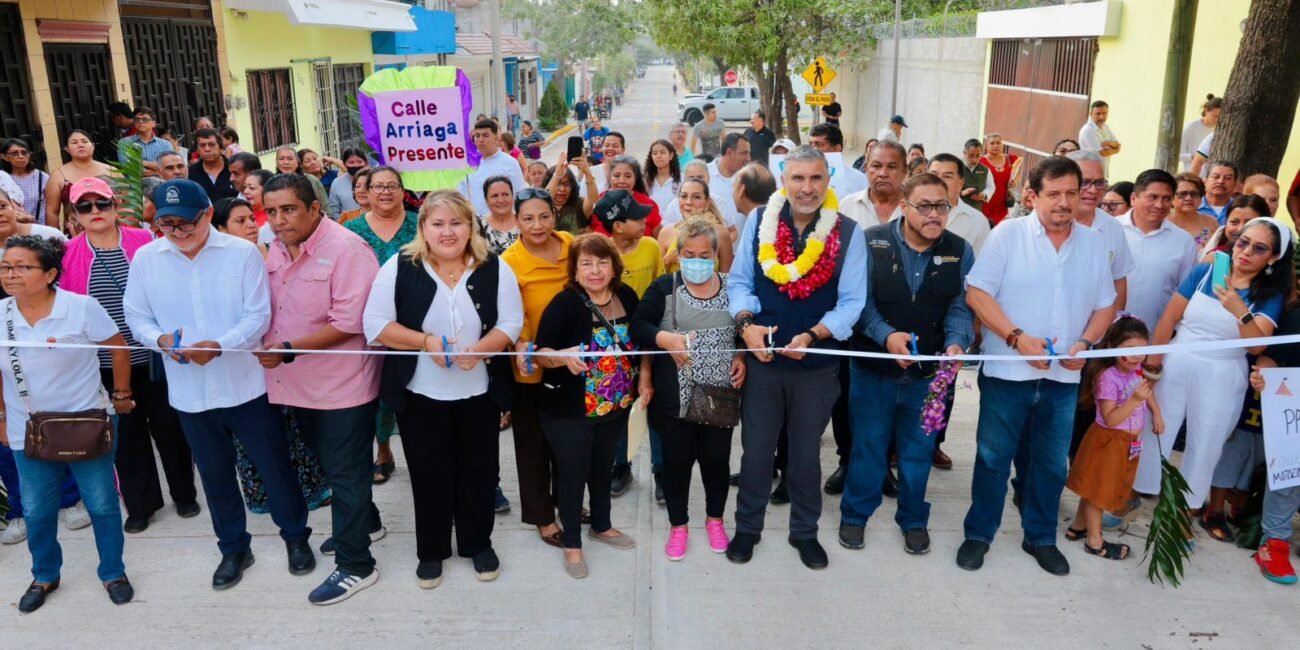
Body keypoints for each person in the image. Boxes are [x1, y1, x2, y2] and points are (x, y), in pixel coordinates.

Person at [123, 179, 313, 591]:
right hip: (189, 392)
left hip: (244, 385)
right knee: (214, 474)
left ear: (207, 213)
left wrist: (221, 345)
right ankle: (233, 547)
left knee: (274, 468)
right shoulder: (146, 259)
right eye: (167, 224)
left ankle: (296, 537)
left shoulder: (242, 253)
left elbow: (258, 316)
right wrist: (159, 341)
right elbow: (136, 315)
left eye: (186, 222)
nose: (177, 232)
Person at [959, 156, 1116, 576]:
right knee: (993, 459)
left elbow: (1106, 304)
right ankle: (978, 534)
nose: (1064, 202)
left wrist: (1085, 342)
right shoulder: (1008, 235)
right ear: (1032, 196)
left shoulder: (1094, 242)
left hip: (1063, 378)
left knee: (1050, 464)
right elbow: (977, 294)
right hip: (1008, 375)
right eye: (1054, 194)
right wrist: (1016, 338)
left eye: (1072, 192)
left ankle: (1041, 537)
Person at [363, 189, 519, 588]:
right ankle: (431, 551)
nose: (447, 232)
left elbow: (511, 323)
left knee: (479, 473)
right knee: (429, 474)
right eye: (438, 224)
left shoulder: (494, 267)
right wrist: (425, 342)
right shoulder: (400, 266)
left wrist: (483, 349)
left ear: (471, 226)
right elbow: (376, 325)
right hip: (420, 394)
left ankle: (477, 545)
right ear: (423, 228)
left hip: (478, 392)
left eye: (456, 222)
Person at [726, 146, 867, 569]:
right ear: (784, 181)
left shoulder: (848, 232)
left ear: (828, 182)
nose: (807, 188)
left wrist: (812, 334)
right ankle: (747, 529)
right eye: (798, 179)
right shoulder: (758, 221)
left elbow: (852, 302)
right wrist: (746, 324)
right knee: (756, 451)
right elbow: (739, 283)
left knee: (805, 455)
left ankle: (804, 532)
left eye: (816, 179)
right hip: (764, 364)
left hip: (816, 367)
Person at [256, 173, 383, 604]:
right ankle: (367, 523)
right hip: (293, 385)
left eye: (288, 209)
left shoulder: (348, 249)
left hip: (341, 386)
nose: (278, 220)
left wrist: (288, 348)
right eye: (271, 211)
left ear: (314, 208)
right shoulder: (275, 247)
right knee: (333, 467)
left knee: (346, 473)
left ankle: (355, 565)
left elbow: (349, 322)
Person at [838, 173, 975, 555]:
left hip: (929, 379)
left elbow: (960, 309)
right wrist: (886, 336)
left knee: (918, 453)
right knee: (867, 447)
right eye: (925, 206)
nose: (934, 214)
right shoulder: (870, 242)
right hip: (872, 373)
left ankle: (913, 519)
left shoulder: (960, 250)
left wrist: (955, 344)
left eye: (942, 206)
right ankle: (855, 516)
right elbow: (859, 303)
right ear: (904, 206)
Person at [1, 235, 137, 612]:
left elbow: (118, 345)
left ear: (50, 274)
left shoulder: (80, 308)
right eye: (6, 267)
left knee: (103, 505)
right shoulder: (1, 315)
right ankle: (44, 574)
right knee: (37, 509)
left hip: (87, 423)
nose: (11, 274)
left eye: (22, 267)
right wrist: (0, 416)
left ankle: (113, 572)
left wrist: (121, 395)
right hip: (27, 430)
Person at [60, 178, 198, 533]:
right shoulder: (68, 254)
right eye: (85, 206)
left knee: (170, 428)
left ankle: (184, 494)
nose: (95, 212)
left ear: (115, 205)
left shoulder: (146, 241)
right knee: (127, 436)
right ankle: (140, 504)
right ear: (75, 214)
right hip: (104, 365)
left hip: (154, 355)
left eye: (101, 204)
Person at [1139, 218, 1290, 527]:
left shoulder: (1269, 295)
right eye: (1243, 242)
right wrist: (1154, 365)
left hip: (1222, 372)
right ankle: (1138, 492)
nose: (1246, 251)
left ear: (1273, 258)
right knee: (1156, 428)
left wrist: (1239, 308)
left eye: (1259, 248)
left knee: (1206, 440)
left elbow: (1256, 347)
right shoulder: (1204, 271)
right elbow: (1168, 320)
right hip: (1178, 360)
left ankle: (1185, 512)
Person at [632, 217, 745, 560]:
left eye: (705, 254)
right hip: (673, 399)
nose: (698, 261)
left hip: (720, 394)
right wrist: (663, 337)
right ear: (678, 254)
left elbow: (744, 329)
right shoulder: (665, 288)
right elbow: (638, 325)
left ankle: (715, 520)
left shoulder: (732, 288)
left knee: (716, 462)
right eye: (690, 254)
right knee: (677, 464)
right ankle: (678, 526)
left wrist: (743, 357)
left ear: (716, 254)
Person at [534, 233, 641, 578]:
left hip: (614, 404)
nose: (595, 270)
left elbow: (639, 343)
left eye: (602, 262)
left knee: (602, 468)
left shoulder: (626, 296)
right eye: (586, 263)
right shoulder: (564, 304)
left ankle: (602, 524)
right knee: (572, 474)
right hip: (570, 410)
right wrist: (562, 358)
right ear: (575, 270)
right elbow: (541, 355)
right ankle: (573, 545)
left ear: (614, 267)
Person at [502, 186, 570, 548]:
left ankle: (568, 502)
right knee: (533, 444)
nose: (537, 224)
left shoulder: (572, 247)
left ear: (554, 216)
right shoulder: (510, 261)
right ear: (517, 221)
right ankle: (542, 515)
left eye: (544, 216)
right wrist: (524, 342)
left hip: (572, 361)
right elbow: (511, 313)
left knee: (568, 441)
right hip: (529, 367)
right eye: (528, 218)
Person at [1063, 316, 1162, 561]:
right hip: (1109, 441)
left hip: (1126, 443)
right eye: (1130, 350)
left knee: (1094, 486)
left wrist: (1156, 413)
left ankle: (1078, 526)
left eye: (1143, 349)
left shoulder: (1135, 372)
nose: (1138, 356)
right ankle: (1094, 541)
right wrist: (1135, 400)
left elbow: (1146, 392)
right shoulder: (1108, 377)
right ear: (1112, 348)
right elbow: (1111, 418)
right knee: (1099, 493)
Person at [343, 167, 418, 483]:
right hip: (369, 326)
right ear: (366, 191)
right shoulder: (350, 230)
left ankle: (422, 455)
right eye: (378, 186)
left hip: (416, 323)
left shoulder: (422, 225)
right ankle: (383, 450)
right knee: (375, 394)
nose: (385, 192)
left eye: (392, 186)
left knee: (415, 395)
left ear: (403, 190)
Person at [1248, 309, 1300, 583]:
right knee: (1290, 472)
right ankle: (1274, 543)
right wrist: (1263, 376)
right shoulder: (1297, 317)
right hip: (1294, 414)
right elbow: (1270, 359)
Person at [1117, 169, 1200, 330]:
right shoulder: (1111, 230)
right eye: (1152, 197)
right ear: (1134, 198)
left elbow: (1186, 293)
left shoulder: (1183, 241)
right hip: (1105, 335)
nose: (1159, 205)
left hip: (1155, 336)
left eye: (1166, 199)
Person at [1066, 150, 1135, 309]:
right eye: (1084, 182)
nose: (1093, 190)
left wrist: (1113, 327)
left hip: (1097, 327)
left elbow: (1118, 280)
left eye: (1099, 183)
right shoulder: (1048, 223)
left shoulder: (1113, 227)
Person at [660, 179, 734, 273]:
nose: (688, 202)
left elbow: (727, 278)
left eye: (696, 197)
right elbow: (656, 278)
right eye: (684, 196)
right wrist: (667, 260)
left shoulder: (721, 233)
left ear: (707, 202)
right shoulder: (666, 232)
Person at [45, 130, 112, 232]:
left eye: (84, 141)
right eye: (74, 142)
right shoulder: (58, 175)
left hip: (111, 230)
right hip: (76, 234)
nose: (80, 145)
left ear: (93, 146)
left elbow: (127, 204)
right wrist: (55, 239)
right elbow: (51, 212)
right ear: (67, 149)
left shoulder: (111, 171)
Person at [459, 119, 528, 217]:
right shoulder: (468, 164)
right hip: (475, 224)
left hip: (503, 224)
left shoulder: (510, 163)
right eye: (477, 136)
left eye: (485, 135)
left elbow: (520, 196)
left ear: (496, 139)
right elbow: (460, 195)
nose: (480, 140)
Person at [927, 154, 991, 254]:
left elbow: (983, 264)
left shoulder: (977, 221)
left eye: (947, 176)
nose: (939, 182)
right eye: (933, 175)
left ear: (961, 183)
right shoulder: (909, 215)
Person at [587, 156, 663, 240]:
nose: (622, 181)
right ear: (610, 177)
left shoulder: (648, 204)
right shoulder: (600, 201)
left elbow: (661, 237)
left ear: (635, 178)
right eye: (616, 176)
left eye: (628, 176)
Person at [841, 140, 906, 228]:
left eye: (892, 167)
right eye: (876, 166)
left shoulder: (919, 208)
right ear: (866, 168)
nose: (883, 174)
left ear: (905, 170)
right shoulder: (846, 206)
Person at [807, 123, 868, 198]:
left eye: (818, 144)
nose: (813, 149)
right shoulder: (804, 177)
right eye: (811, 144)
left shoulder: (859, 180)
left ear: (836, 148)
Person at [1201, 194, 1269, 261]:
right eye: (1234, 222)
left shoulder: (1272, 260)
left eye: (1249, 223)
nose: (1240, 229)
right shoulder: (1216, 258)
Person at [708, 133, 751, 225]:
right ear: (729, 152)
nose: (748, 158)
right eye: (744, 153)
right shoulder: (704, 174)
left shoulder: (749, 177)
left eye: (749, 153)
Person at [188, 128, 240, 204]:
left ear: (221, 148)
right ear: (197, 150)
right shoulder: (191, 173)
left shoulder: (235, 169)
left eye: (212, 144)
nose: (207, 149)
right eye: (202, 145)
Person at [1, 138, 47, 222]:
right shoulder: (2, 178)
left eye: (24, 152)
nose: (21, 156)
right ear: (4, 157)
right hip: (11, 229)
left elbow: (51, 208)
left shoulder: (42, 177)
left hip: (39, 228)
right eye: (15, 153)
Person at [117, 107, 172, 176]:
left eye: (145, 119)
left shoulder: (165, 144)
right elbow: (128, 168)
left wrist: (142, 162)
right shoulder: (125, 143)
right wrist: (157, 170)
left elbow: (169, 166)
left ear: (153, 124)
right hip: (136, 185)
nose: (140, 121)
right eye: (137, 119)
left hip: (163, 184)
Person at [979, 133, 1019, 226]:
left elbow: (1017, 175)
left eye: (998, 143)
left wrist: (1014, 182)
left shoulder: (1011, 159)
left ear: (1002, 144)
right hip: (985, 204)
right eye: (992, 143)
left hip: (1002, 204)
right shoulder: (981, 162)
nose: (995, 145)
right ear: (986, 146)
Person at [730, 162, 777, 240]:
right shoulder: (777, 221)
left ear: (741, 190)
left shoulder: (758, 225)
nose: (732, 191)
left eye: (734, 185)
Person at [1171, 173, 1219, 248]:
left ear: (1201, 198)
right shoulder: (1160, 222)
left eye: (1194, 194)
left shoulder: (1210, 223)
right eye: (1182, 194)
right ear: (1171, 197)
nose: (1188, 198)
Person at [479, 175, 521, 255]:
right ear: (486, 200)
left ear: (512, 197)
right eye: (494, 196)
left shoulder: (525, 221)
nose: (501, 200)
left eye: (505, 194)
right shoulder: (478, 225)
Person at [542, 163, 587, 235]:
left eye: (567, 184)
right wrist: (557, 175)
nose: (562, 189)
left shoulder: (579, 204)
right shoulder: (540, 207)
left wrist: (588, 173)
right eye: (558, 183)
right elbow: (544, 200)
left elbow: (593, 200)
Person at [1181, 95, 1222, 172]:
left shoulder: (1221, 130)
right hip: (1192, 173)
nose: (1217, 120)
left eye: (1220, 117)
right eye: (1215, 116)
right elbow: (1177, 155)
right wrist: (1195, 157)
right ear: (1206, 110)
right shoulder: (1191, 127)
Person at [1078, 100, 1121, 173]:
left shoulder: (1105, 127)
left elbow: (1117, 144)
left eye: (1104, 113)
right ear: (1091, 114)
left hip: (1102, 172)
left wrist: (1109, 143)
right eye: (1098, 114)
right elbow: (1101, 153)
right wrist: (1115, 150)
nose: (1101, 117)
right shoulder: (1088, 130)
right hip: (1090, 173)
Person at [326, 148, 369, 220]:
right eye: (351, 162)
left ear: (366, 163)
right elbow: (334, 209)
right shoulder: (337, 183)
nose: (356, 165)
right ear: (344, 164)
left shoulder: (375, 180)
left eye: (359, 161)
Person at [645, 139, 682, 215]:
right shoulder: (645, 180)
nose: (658, 156)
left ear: (671, 155)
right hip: (652, 225)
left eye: (662, 152)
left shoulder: (682, 179)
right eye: (655, 153)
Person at [1199, 160, 1238, 224]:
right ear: (1205, 181)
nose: (1220, 181)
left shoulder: (1239, 208)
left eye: (1228, 178)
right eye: (1216, 177)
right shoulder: (1193, 207)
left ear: (1235, 184)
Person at [960, 139, 994, 211]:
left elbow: (990, 187)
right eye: (971, 156)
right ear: (964, 153)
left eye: (978, 155)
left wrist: (984, 195)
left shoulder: (985, 170)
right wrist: (961, 193)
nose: (975, 160)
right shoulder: (955, 167)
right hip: (957, 208)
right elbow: (947, 187)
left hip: (976, 210)